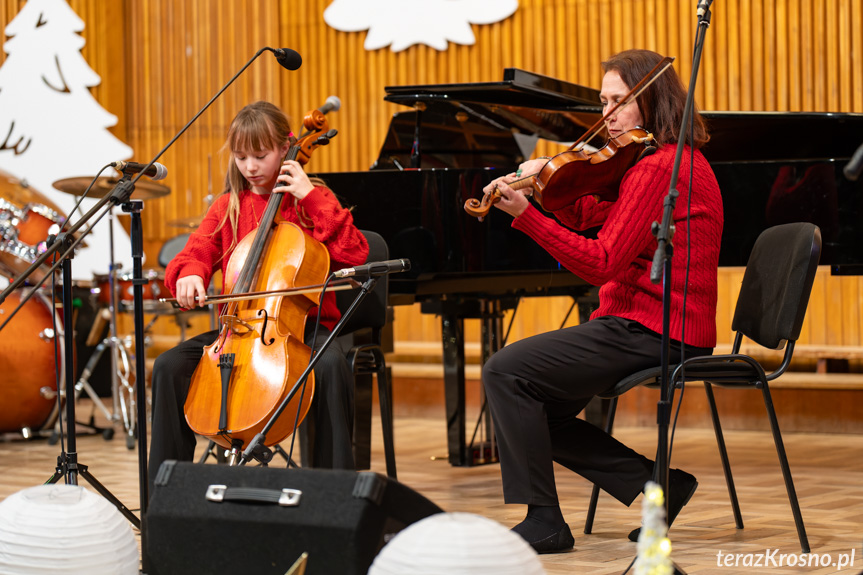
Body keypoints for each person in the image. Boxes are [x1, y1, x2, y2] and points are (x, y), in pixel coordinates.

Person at [480, 49, 724, 554]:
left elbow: (602, 261)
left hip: (657, 328)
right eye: (603, 102)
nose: (607, 116)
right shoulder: (655, 162)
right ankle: (660, 486)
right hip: (646, 323)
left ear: (651, 104)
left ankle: (544, 521)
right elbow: (598, 215)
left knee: (505, 372)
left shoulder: (658, 168)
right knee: (538, 408)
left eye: (620, 102)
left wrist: (528, 214)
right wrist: (550, 186)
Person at [148, 101, 368, 490]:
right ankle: (167, 494)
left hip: (307, 330)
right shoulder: (229, 206)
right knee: (168, 366)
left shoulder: (313, 199)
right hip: (239, 330)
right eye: (241, 156)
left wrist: (310, 198)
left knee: (330, 367)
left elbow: (356, 253)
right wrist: (190, 275)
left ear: (286, 148)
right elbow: (193, 254)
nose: (250, 167)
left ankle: (332, 493)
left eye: (260, 156)